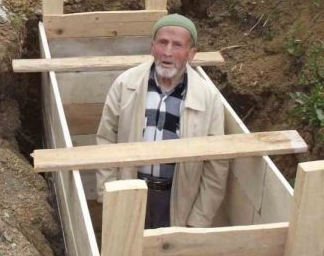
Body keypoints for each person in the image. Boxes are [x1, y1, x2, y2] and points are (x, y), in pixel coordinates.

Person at [95, 14, 228, 228]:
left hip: (177, 200)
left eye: (177, 45)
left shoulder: (207, 97)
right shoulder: (125, 84)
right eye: (162, 42)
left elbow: (216, 166)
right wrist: (108, 195)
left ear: (191, 54)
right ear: (152, 47)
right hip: (130, 192)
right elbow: (106, 140)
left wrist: (199, 219)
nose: (167, 52)